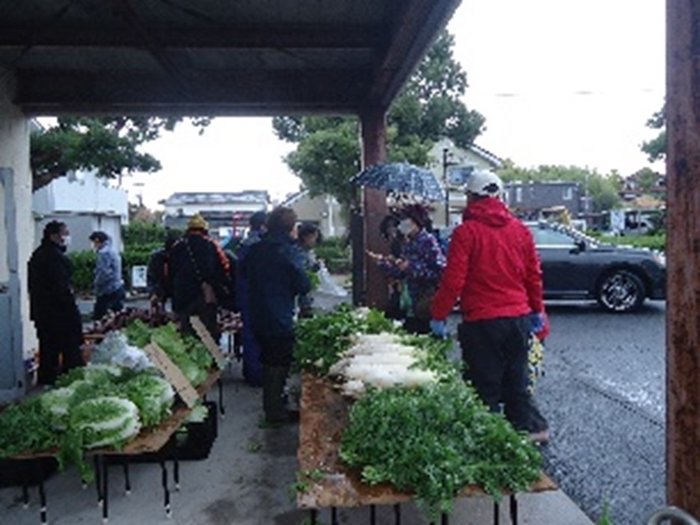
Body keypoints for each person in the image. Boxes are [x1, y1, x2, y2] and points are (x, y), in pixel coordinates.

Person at [429, 170, 550, 443]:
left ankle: (488, 440)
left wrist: (438, 315)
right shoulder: (520, 230)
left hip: (483, 321)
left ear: (471, 197)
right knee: (517, 378)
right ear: (499, 196)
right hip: (518, 318)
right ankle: (533, 430)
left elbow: (453, 280)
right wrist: (537, 311)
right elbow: (533, 275)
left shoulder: (466, 233)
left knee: (485, 383)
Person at [243, 207, 310, 424]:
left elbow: (242, 271)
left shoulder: (255, 249)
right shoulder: (289, 251)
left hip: (257, 312)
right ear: (290, 227)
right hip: (279, 313)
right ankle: (274, 409)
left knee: (268, 357)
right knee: (279, 360)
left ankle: (273, 405)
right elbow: (303, 284)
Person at [370, 203, 445, 334]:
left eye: (406, 220)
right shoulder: (408, 242)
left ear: (416, 222)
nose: (402, 224)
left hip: (425, 302)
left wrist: (411, 267)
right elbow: (401, 273)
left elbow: (438, 271)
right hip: (411, 302)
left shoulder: (428, 241)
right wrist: (382, 263)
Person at [28, 221, 85, 385]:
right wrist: (73, 315)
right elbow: (61, 290)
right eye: (65, 234)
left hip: (43, 314)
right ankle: (71, 385)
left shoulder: (38, 255)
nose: (67, 237)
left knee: (48, 353)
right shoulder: (53, 258)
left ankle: (46, 384)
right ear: (53, 236)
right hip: (59, 315)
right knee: (70, 352)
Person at [168, 214, 230, 340]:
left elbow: (169, 272)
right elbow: (224, 268)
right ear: (204, 230)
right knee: (208, 336)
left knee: (186, 335)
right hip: (204, 298)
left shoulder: (177, 247)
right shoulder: (211, 246)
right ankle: (211, 358)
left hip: (183, 298)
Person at [235, 210, 267, 387]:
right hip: (258, 295)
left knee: (249, 334)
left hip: (245, 294)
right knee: (259, 336)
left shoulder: (244, 244)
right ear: (263, 225)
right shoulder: (261, 244)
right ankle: (258, 374)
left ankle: (250, 372)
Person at [89, 231, 126, 321]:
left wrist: (96, 286)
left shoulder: (103, 253)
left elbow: (103, 273)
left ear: (97, 241)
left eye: (93, 242)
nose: (93, 245)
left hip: (107, 290)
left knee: (100, 318)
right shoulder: (112, 250)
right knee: (118, 318)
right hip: (117, 287)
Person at [146, 231, 179, 309]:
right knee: (158, 311)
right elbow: (151, 276)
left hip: (176, 288)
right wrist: (153, 292)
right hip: (160, 286)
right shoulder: (157, 258)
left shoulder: (180, 257)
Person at [296, 222, 322, 318]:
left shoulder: (307, 252)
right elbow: (302, 273)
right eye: (314, 237)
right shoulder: (300, 254)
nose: (315, 241)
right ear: (306, 237)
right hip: (301, 300)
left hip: (306, 299)